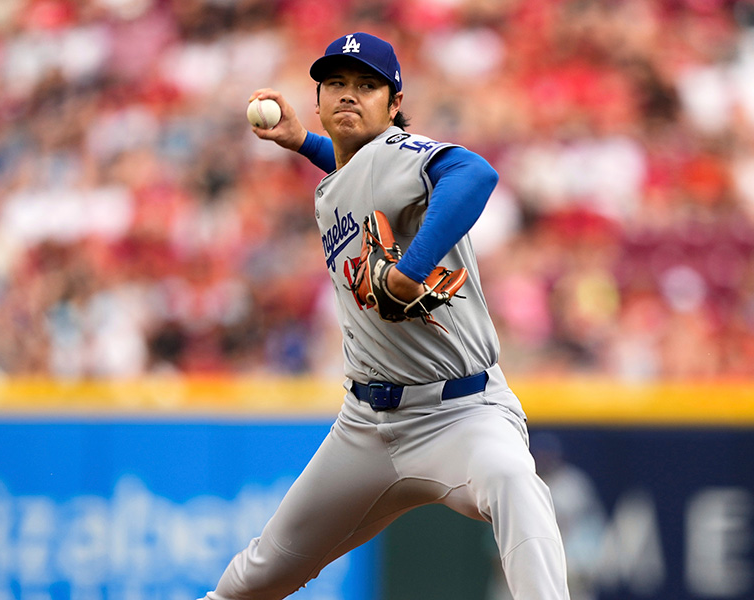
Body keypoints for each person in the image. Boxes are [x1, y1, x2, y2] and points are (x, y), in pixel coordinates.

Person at [200, 32, 570, 600]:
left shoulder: (395, 151)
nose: (349, 94)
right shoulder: (345, 175)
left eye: (367, 85)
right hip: (365, 429)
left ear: (395, 104)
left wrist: (409, 270)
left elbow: (474, 173)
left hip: (461, 415)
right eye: (336, 84)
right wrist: (304, 142)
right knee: (256, 576)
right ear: (318, 100)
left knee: (513, 480)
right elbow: (358, 174)